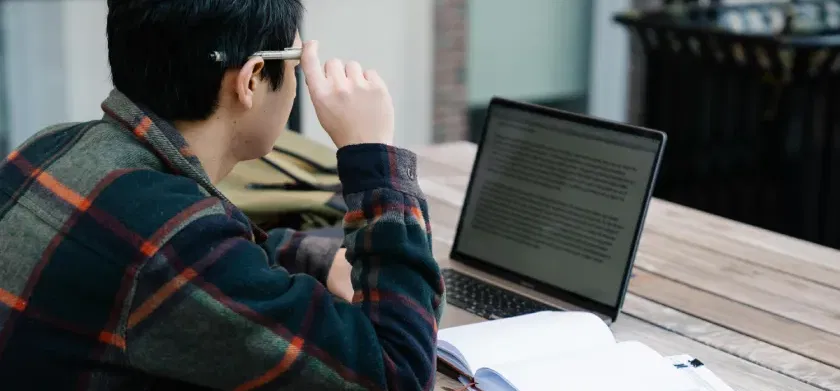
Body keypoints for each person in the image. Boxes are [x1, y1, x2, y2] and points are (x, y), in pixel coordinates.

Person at [0, 0, 444, 389]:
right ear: (251, 79)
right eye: (297, 62)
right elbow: (397, 373)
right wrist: (374, 155)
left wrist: (320, 261)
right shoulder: (173, 242)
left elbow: (213, 258)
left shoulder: (52, 145)